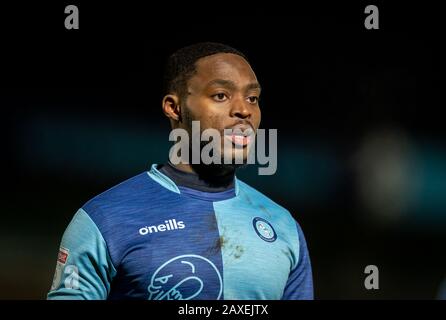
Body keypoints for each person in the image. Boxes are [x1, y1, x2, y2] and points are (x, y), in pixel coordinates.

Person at [47, 42, 314, 300]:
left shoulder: (284, 227)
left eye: (252, 98)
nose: (244, 110)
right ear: (174, 108)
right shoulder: (103, 219)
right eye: (221, 95)